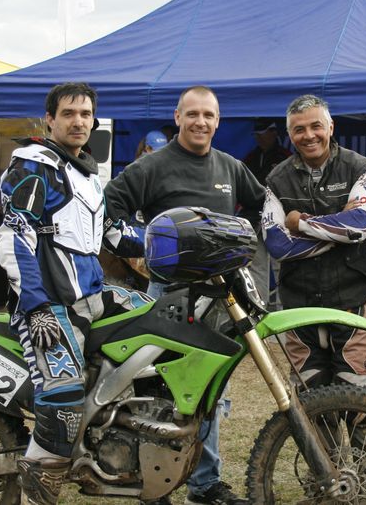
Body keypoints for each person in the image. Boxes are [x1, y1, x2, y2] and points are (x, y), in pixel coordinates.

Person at [104, 85, 263, 505]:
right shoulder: (152, 166)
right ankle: (154, 488)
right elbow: (109, 207)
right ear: (178, 117)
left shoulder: (230, 168)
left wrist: (247, 240)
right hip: (168, 298)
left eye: (208, 115)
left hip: (219, 298)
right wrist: (145, 245)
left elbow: (263, 206)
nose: (200, 122)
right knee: (159, 394)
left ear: (218, 121)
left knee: (208, 392)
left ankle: (204, 484)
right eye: (192, 114)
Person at [0, 82, 149, 505]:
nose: (78, 121)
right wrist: (36, 307)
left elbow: (112, 234)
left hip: (92, 296)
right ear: (50, 120)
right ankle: (35, 497)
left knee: (160, 323)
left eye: (85, 114)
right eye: (68, 113)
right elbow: (14, 237)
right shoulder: (35, 167)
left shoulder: (84, 172)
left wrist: (170, 244)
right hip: (50, 305)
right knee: (62, 398)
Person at [262, 94, 366, 389]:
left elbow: (359, 225)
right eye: (299, 129)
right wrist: (339, 233)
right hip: (299, 304)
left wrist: (300, 223)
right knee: (309, 393)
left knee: (360, 391)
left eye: (316, 126)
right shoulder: (276, 179)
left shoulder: (360, 168)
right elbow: (277, 245)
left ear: (331, 127)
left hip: (352, 298)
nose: (309, 135)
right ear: (289, 134)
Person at [242, 118, 290, 303]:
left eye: (263, 135)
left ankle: (285, 311)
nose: (259, 139)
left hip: (280, 220)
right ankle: (259, 310)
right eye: (257, 135)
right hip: (255, 220)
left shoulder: (286, 157)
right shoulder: (250, 158)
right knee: (257, 268)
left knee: (282, 266)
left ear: (273, 133)